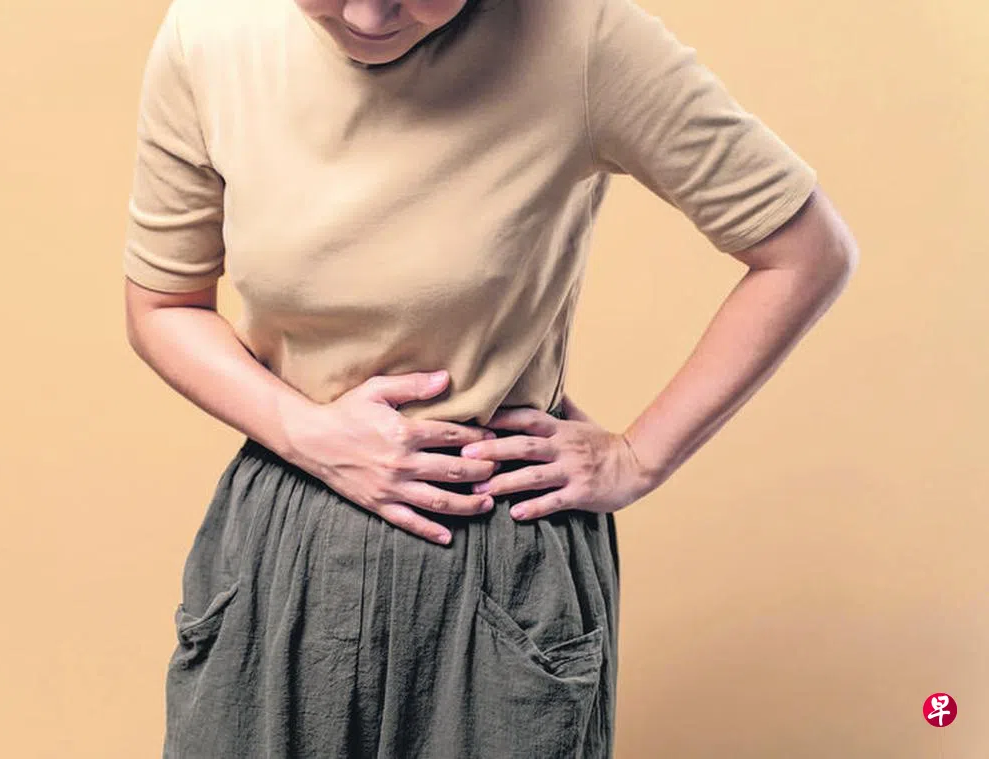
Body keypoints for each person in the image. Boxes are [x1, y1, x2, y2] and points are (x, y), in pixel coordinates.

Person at [122, 0, 858, 756]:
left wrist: (639, 456)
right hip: (283, 543)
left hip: (496, 559)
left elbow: (808, 253)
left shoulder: (584, 36)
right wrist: (309, 433)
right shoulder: (209, 33)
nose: (368, 15)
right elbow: (163, 305)